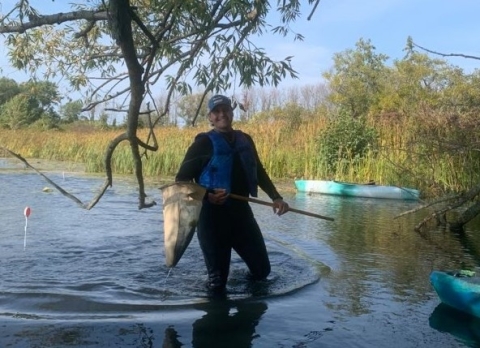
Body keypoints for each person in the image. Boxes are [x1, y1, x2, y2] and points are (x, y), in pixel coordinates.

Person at [175, 94, 289, 293]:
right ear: (210, 117)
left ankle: (248, 305)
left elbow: (258, 171)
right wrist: (207, 196)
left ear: (231, 112)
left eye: (225, 110)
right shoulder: (202, 143)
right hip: (211, 217)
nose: (222, 115)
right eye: (216, 111)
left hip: (241, 214)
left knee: (262, 271)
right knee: (218, 283)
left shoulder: (246, 140)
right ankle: (217, 316)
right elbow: (181, 181)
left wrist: (276, 197)